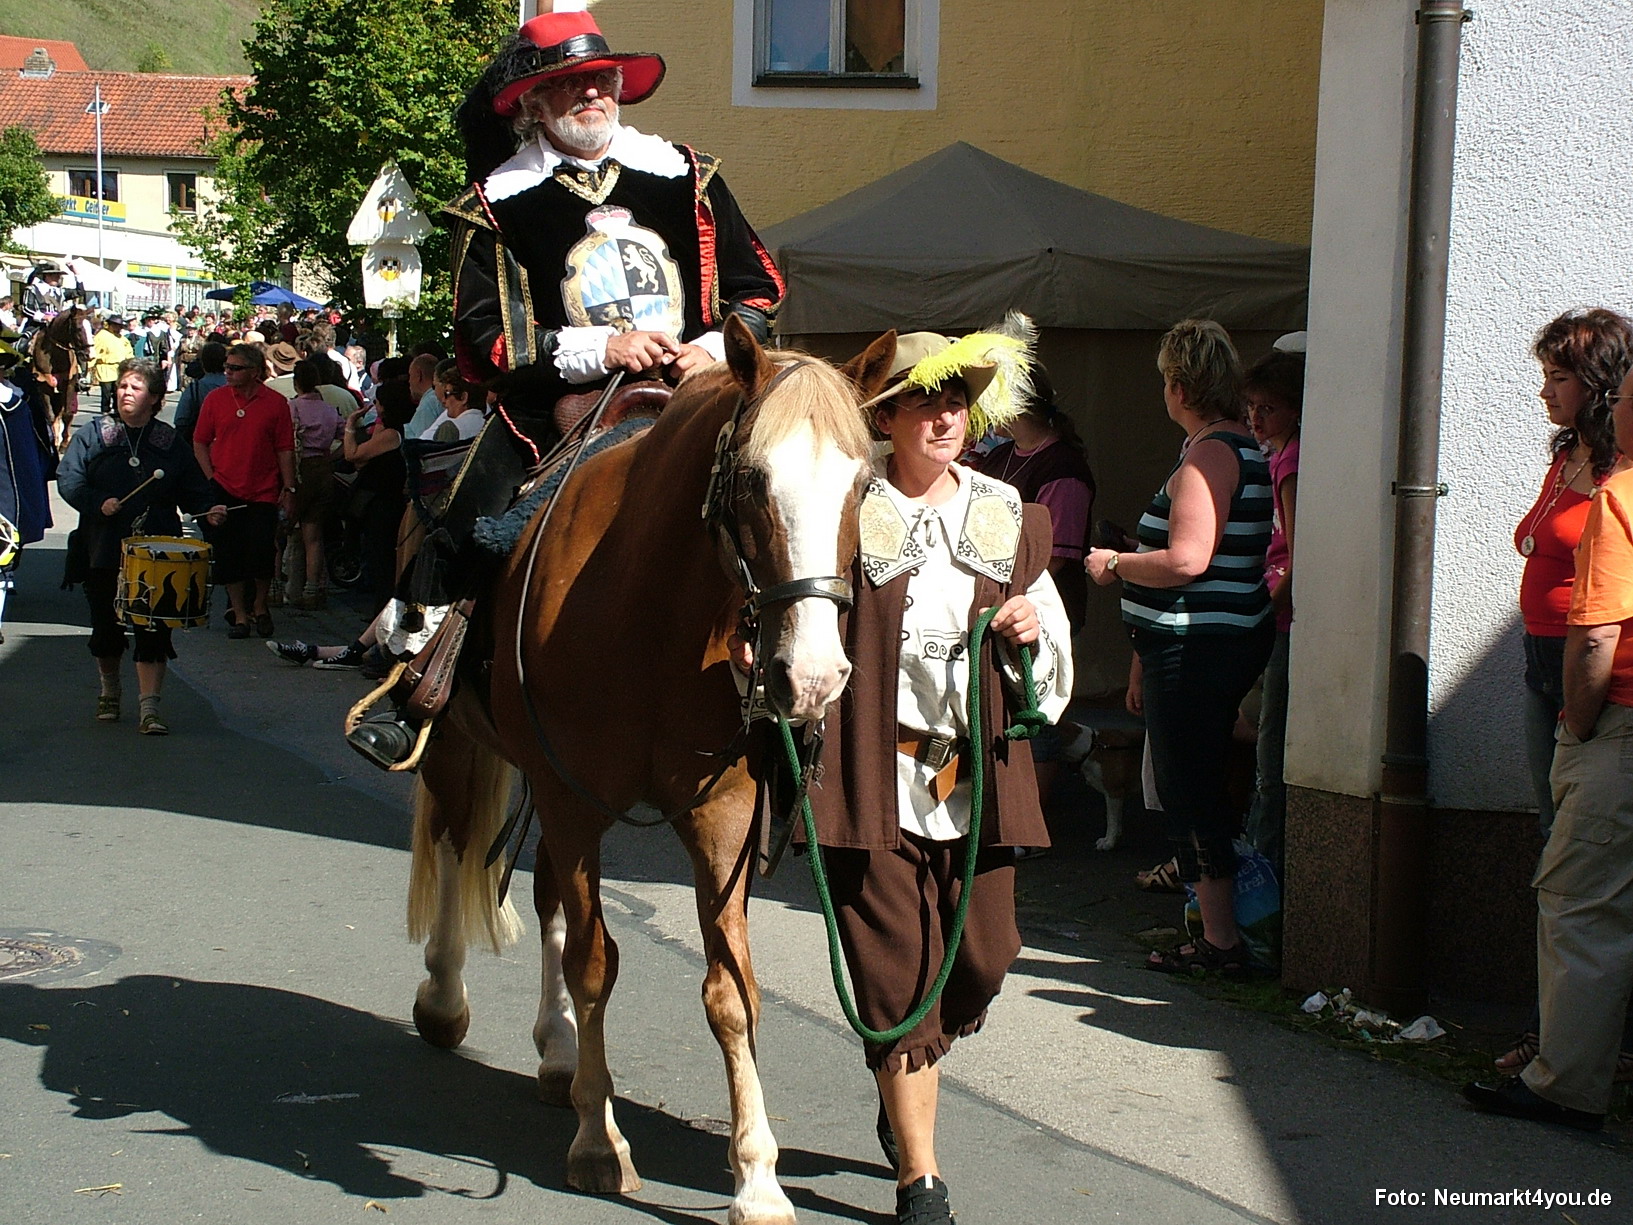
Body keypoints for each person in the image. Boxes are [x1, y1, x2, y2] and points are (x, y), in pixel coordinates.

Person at [344, 0, 786, 770]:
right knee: (470, 515)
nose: (593, 96)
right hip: (557, 409)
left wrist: (710, 346)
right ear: (532, 105)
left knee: (800, 504)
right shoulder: (496, 203)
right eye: (572, 85)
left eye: (602, 80)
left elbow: (759, 286)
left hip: (698, 392)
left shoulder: (687, 175)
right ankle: (413, 679)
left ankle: (809, 696)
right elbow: (487, 339)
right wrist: (606, 346)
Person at [807, 327, 1071, 1225]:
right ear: (885, 415)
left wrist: (1033, 627)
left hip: (976, 772)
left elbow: (1056, 643)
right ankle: (920, 1177)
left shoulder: (1005, 509)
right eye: (925, 398)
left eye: (958, 399)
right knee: (898, 979)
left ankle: (904, 1069)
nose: (946, 414)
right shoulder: (840, 506)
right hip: (868, 773)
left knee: (984, 960)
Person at [1463, 363, 1633, 1133]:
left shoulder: (1618, 499)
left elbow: (1594, 636)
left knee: (1580, 903)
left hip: (1619, 723)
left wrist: (1575, 718)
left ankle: (1563, 1085)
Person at [1086, 319, 1274, 975]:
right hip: (1210, 639)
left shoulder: (1206, 456)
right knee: (1196, 784)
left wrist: (1115, 562)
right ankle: (1215, 931)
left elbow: (1187, 559)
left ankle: (1219, 941)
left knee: (1188, 789)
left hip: (1195, 645)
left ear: (1177, 384)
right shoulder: (1239, 445)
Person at [56, 359, 226, 733]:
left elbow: (193, 487)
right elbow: (69, 479)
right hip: (103, 547)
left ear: (154, 398)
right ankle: (110, 689)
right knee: (105, 628)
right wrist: (97, 501)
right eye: (122, 386)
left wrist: (206, 509)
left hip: (157, 551)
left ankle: (150, 707)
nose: (125, 393)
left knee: (153, 630)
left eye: (135, 388)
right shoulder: (94, 435)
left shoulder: (168, 442)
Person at [1241, 343, 1307, 881]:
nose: (1257, 419)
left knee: (1270, 749)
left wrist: (1269, 610)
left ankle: (1264, 872)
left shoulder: (1291, 459)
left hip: (1282, 615)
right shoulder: (1279, 454)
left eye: (1268, 408)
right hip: (1274, 604)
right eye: (1252, 408)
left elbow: (1298, 547)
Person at [192, 343, 296, 638]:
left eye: (235, 368)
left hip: (263, 489)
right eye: (227, 367)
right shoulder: (215, 399)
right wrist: (210, 479)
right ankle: (239, 614)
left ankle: (260, 607)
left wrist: (289, 488)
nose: (228, 372)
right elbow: (199, 441)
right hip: (224, 487)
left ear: (254, 372)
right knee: (228, 555)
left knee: (263, 551)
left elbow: (285, 448)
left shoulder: (275, 403)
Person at [0, 343, 52, 644]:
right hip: (11, 493)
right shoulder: (17, 401)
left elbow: (32, 450)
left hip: (8, 494)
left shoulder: (17, 402)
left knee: (3, 557)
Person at [343, 376, 412, 598]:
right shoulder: (390, 430)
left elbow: (353, 455)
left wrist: (350, 426)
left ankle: (382, 609)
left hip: (384, 504)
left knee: (382, 561)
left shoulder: (392, 434)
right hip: (385, 502)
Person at [287, 358, 346, 610]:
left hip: (300, 470)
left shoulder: (293, 407)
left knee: (286, 529)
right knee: (313, 533)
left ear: (296, 382)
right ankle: (313, 589)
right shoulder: (329, 410)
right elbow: (348, 435)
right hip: (323, 469)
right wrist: (332, 457)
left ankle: (283, 588)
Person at [174, 342, 228, 444]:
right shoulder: (235, 386)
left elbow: (181, 419)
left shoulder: (195, 388)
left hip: (200, 442)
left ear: (202, 363)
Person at [419, 360, 486, 442]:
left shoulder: (450, 428)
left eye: (447, 393)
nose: (443, 400)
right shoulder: (489, 425)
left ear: (463, 397)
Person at [90, 315, 134, 415]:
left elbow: (128, 352)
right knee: (106, 393)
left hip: (119, 368)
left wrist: (130, 364)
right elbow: (94, 352)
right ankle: (105, 411)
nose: (118, 328)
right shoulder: (101, 336)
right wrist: (87, 368)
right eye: (116, 325)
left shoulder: (121, 338)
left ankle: (117, 412)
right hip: (105, 368)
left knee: (117, 392)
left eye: (120, 326)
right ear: (109, 325)